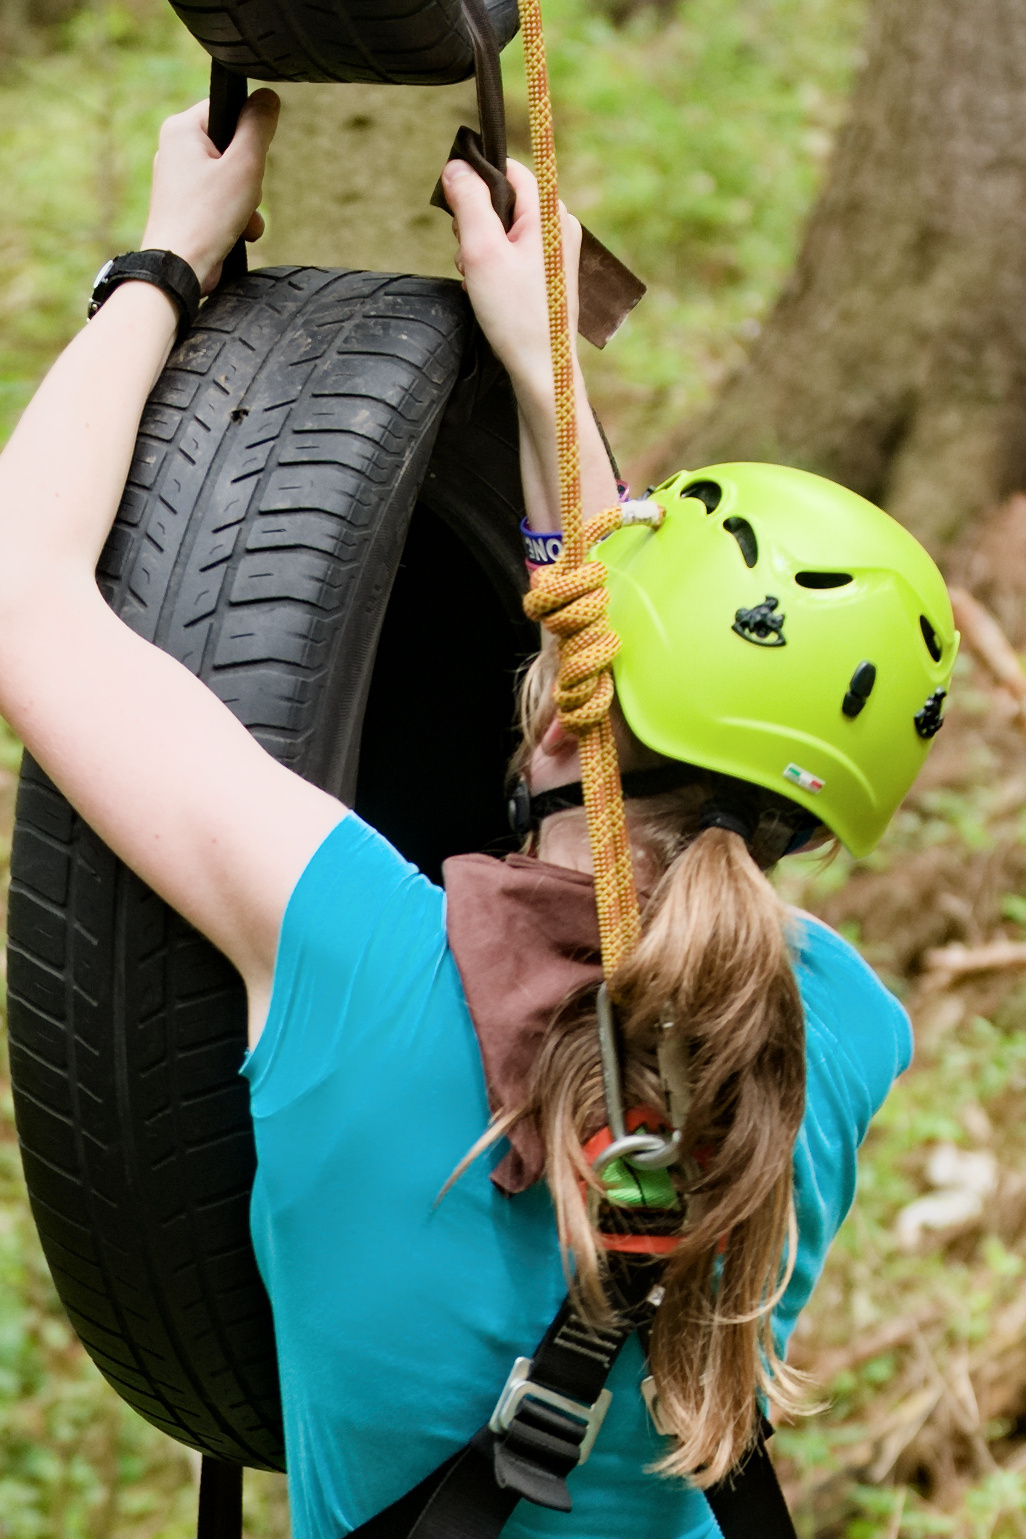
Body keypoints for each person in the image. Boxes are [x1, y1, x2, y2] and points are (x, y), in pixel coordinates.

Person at [0, 91, 956, 1538]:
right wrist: (541, 368)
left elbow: (26, 598)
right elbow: (633, 700)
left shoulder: (351, 952)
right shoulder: (837, 1036)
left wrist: (161, 264)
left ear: (567, 701)